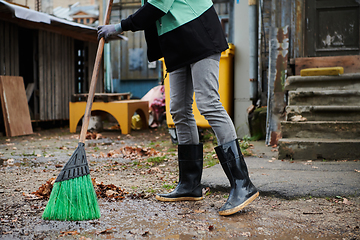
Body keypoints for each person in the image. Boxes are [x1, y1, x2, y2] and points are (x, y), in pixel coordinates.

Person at [97, 0, 259, 216]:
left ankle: (242, 183)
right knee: (179, 110)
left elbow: (156, 8)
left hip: (199, 35)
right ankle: (190, 184)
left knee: (208, 103)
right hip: (178, 44)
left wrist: (118, 27)